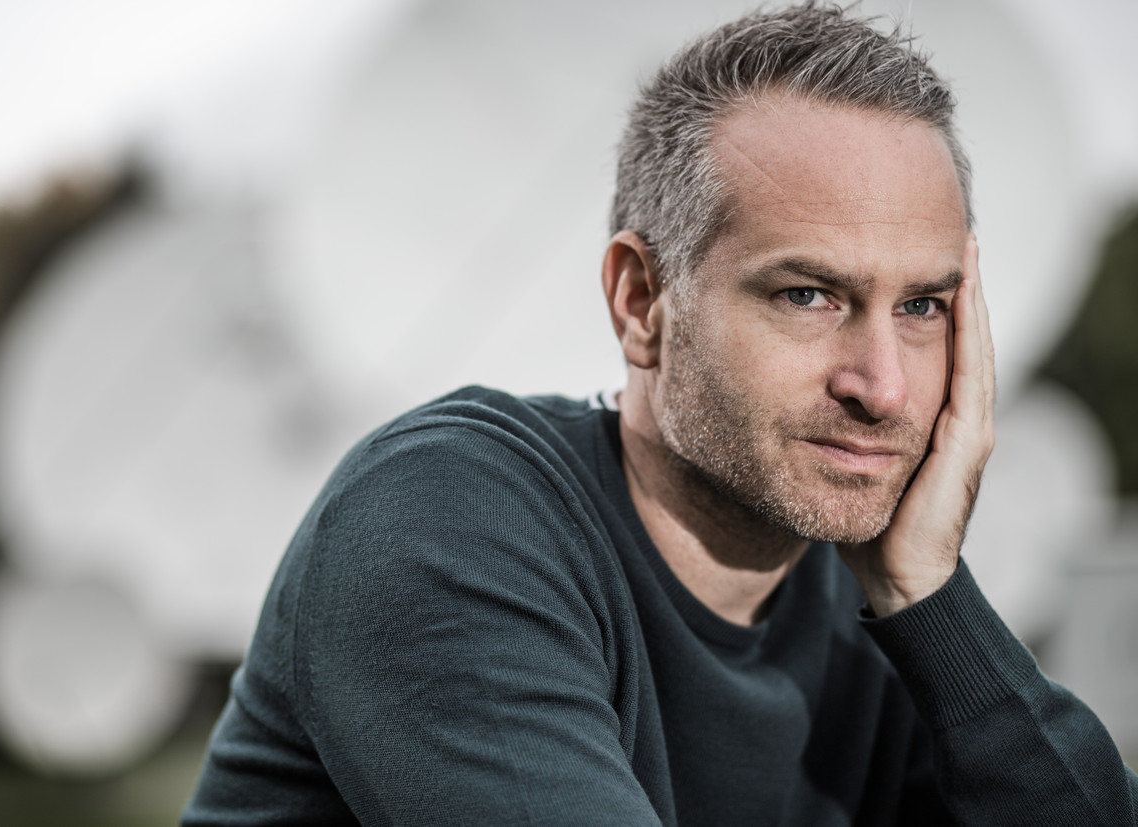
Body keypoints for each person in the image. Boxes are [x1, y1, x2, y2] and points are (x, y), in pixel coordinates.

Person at [183, 4, 1138, 825]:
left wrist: (931, 598)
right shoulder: (447, 521)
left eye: (922, 306)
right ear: (642, 300)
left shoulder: (872, 620)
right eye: (806, 295)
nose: (882, 386)